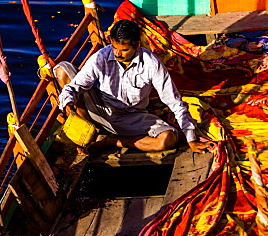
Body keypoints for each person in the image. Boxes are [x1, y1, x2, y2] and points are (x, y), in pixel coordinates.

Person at [56, 19, 213, 152]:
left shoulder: (151, 63)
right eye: (115, 48)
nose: (117, 54)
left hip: (131, 117)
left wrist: (191, 139)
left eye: (124, 50)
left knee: (168, 139)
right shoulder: (102, 57)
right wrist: (69, 106)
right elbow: (75, 86)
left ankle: (110, 141)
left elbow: (174, 101)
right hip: (99, 109)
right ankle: (86, 130)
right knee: (63, 70)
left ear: (137, 45)